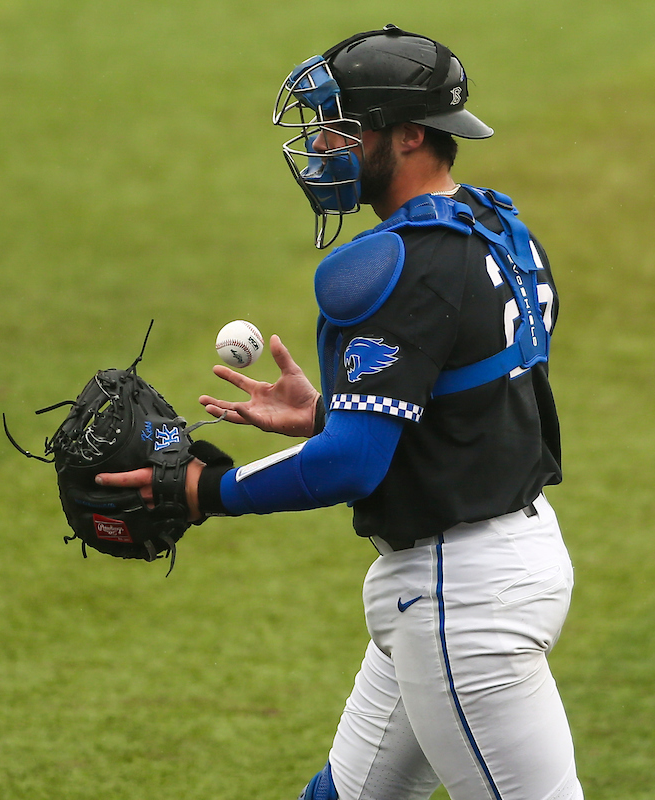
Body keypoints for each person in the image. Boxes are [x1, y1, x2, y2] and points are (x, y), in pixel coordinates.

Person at [97, 24, 583, 800]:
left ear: (410, 134)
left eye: (342, 126)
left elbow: (353, 464)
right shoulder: (498, 228)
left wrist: (199, 490)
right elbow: (465, 399)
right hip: (500, 558)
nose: (322, 145)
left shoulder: (388, 266)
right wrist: (335, 410)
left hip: (462, 600)